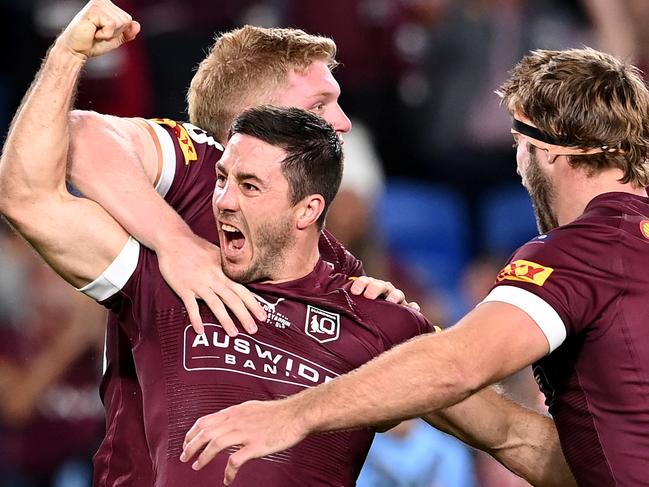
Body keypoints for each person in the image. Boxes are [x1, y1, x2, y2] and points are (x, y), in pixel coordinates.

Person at [179, 47, 649, 487]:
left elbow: (460, 364)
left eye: (518, 142)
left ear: (550, 149)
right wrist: (393, 334)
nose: (519, 162)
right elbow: (533, 442)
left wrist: (291, 414)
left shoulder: (586, 249)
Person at [56, 1, 403, 485]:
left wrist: (385, 320)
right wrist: (175, 243)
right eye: (320, 105)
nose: (343, 122)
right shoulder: (198, 168)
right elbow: (81, 137)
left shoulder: (328, 254)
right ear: (257, 117)